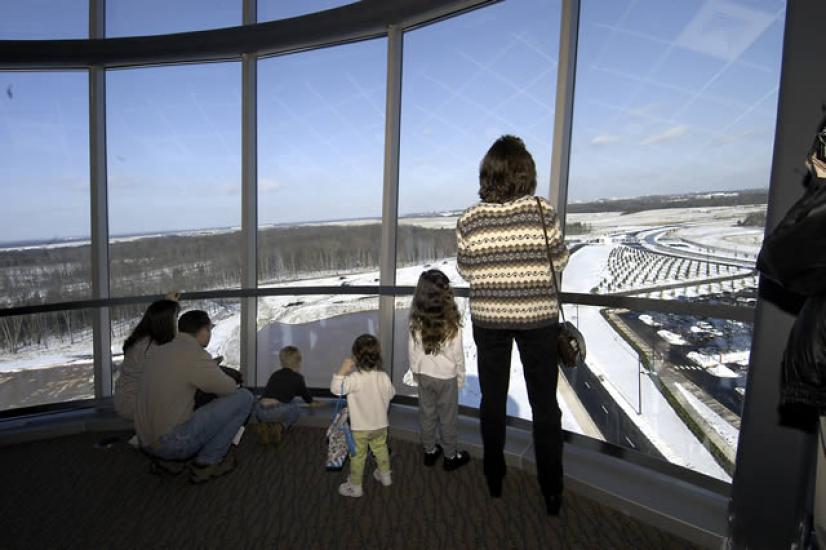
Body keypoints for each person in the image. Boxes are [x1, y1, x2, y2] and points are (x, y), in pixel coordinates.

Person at [456, 135, 570, 516]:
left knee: (492, 400)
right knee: (544, 404)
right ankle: (552, 490)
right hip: (538, 319)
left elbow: (466, 270)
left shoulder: (470, 219)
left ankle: (494, 476)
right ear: (526, 172)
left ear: (488, 173)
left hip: (489, 320)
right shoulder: (543, 211)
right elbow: (559, 261)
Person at [135, 310, 254, 483]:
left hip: (144, 440)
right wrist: (216, 372)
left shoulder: (159, 351)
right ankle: (207, 463)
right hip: (171, 442)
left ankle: (166, 461)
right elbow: (228, 388)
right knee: (244, 398)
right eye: (210, 329)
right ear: (204, 331)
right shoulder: (195, 355)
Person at [408, 269, 470, 471]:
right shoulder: (452, 324)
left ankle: (429, 451)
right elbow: (458, 356)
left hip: (424, 375)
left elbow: (413, 351)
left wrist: (415, 372)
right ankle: (450, 457)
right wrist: (460, 378)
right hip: (446, 378)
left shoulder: (416, 321)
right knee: (448, 418)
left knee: (427, 415)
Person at [330, 334, 396, 498]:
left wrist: (342, 371)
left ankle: (355, 486)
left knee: (358, 456)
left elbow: (336, 389)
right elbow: (391, 393)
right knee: (380, 449)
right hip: (380, 426)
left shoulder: (354, 379)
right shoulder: (383, 376)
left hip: (360, 428)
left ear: (355, 357)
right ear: (378, 356)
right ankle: (385, 475)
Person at [113, 299, 180, 420]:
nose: (177, 322)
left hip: (131, 398)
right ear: (165, 322)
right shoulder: (149, 348)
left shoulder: (145, 341)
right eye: (175, 318)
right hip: (134, 403)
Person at [255, 345, 317, 446]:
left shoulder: (275, 375)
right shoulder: (298, 378)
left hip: (260, 410)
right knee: (295, 408)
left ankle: (263, 425)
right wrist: (311, 402)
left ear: (281, 362)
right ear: (298, 363)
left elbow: (268, 391)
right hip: (277, 410)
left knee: (261, 403)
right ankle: (280, 427)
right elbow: (305, 395)